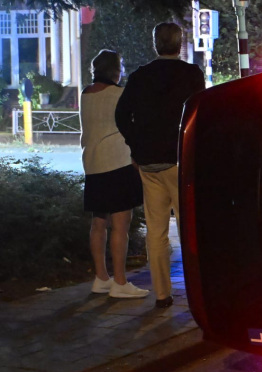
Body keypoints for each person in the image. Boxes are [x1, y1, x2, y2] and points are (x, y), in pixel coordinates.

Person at [115, 22, 205, 308]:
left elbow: (121, 114)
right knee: (190, 227)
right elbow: (199, 113)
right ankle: (196, 293)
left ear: (156, 44)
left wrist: (135, 145)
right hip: (180, 161)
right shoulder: (191, 74)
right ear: (179, 44)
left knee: (156, 231)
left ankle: (162, 294)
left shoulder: (140, 76)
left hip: (148, 162)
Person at [81, 49, 148, 299]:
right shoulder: (119, 94)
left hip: (93, 163)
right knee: (121, 224)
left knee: (99, 222)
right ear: (115, 70)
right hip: (118, 162)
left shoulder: (85, 94)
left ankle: (101, 278)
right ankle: (120, 282)